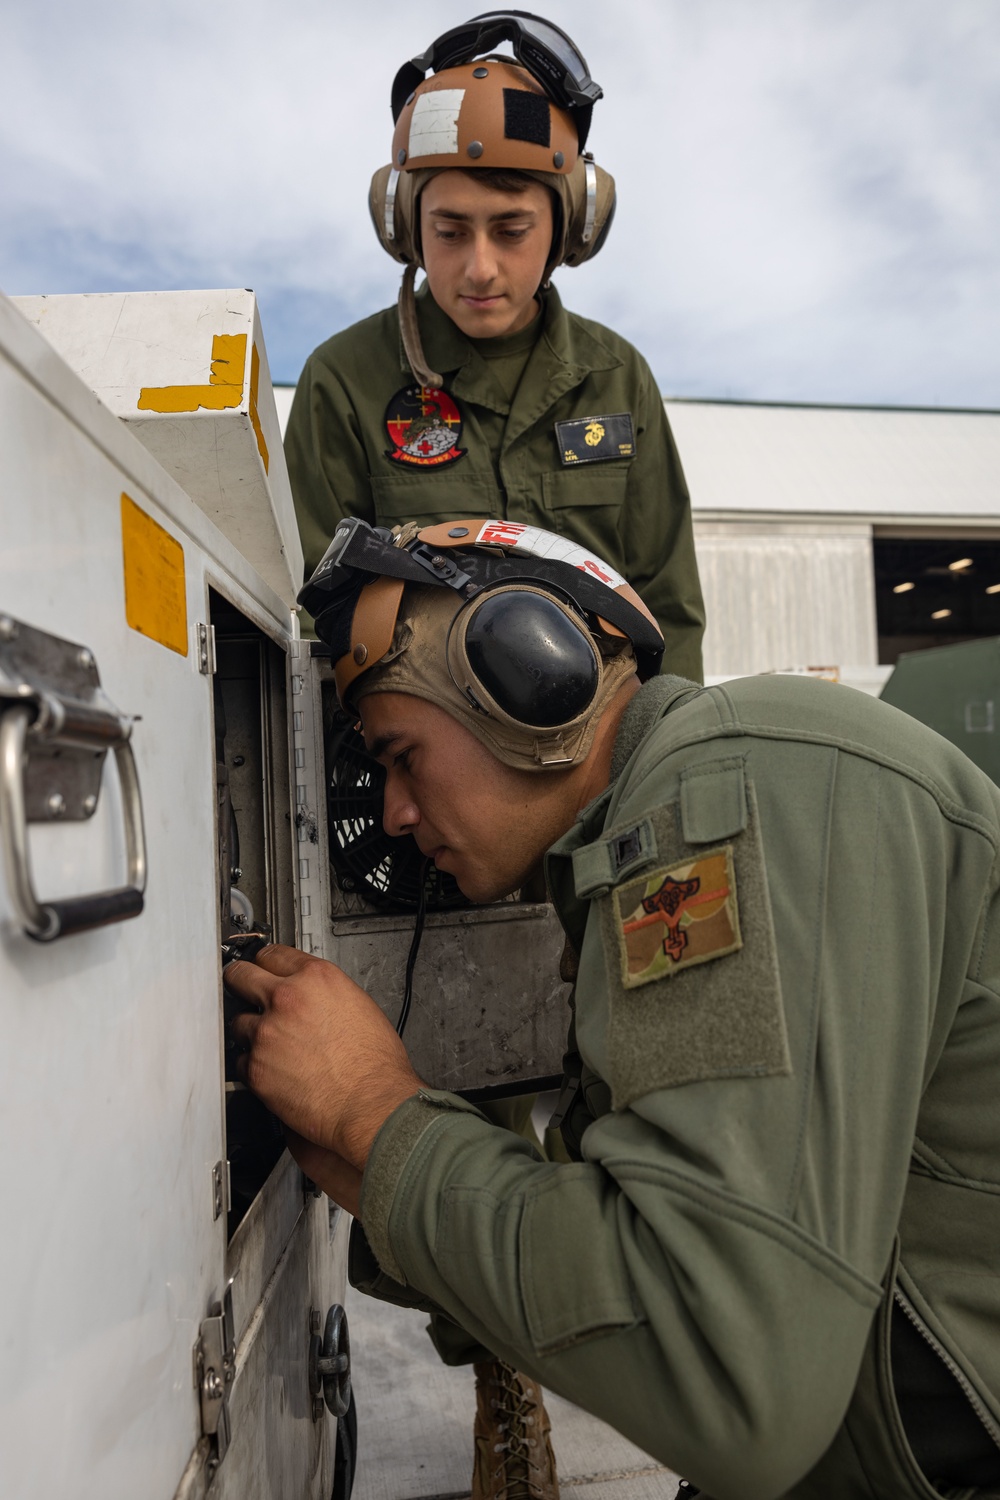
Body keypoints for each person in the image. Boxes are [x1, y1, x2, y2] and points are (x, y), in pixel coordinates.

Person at [228, 516, 1000, 1500]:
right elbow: (618, 1256)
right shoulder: (641, 838)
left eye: (403, 754)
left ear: (528, 686)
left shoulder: (737, 775)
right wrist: (377, 1176)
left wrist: (377, 1113)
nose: (391, 814)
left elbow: (727, 1378)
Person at [283, 11, 705, 680]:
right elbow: (309, 605)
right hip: (412, 756)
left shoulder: (617, 378)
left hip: (603, 755)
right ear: (405, 227)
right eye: (450, 232)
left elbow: (668, 608)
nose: (480, 267)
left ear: (573, 229)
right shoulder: (344, 380)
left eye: (511, 231)